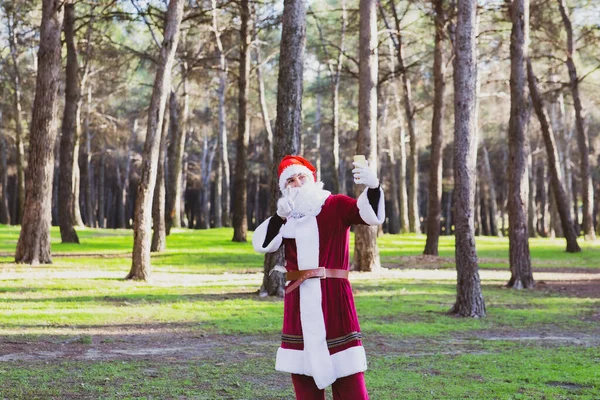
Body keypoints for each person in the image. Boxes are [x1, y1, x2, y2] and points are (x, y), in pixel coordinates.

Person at [252, 155, 384, 400]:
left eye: (302, 177)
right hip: (299, 302)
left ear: (311, 178)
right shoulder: (287, 218)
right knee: (304, 380)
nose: (298, 184)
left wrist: (373, 187)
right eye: (290, 180)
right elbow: (263, 244)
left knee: (349, 377)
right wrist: (280, 218)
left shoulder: (334, 204)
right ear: (284, 188)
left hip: (334, 298)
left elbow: (368, 215)